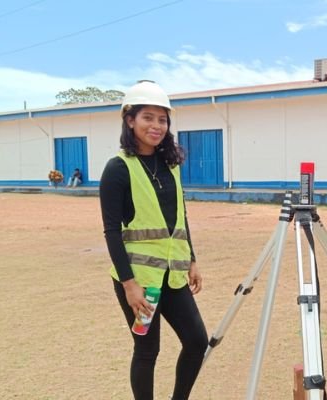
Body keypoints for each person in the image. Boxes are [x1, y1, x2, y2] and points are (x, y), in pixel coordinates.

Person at [99, 80, 207, 400]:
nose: (156, 126)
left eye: (162, 119)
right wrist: (129, 285)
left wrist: (192, 259)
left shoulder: (170, 165)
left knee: (197, 341)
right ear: (130, 119)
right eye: (148, 117)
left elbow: (180, 215)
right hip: (141, 281)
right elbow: (111, 231)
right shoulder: (118, 168)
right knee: (147, 350)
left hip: (173, 275)